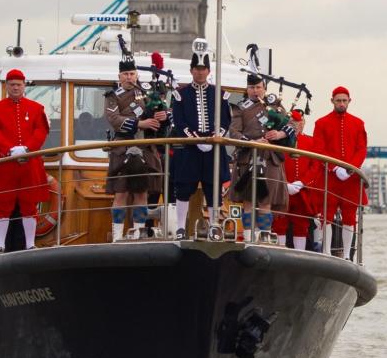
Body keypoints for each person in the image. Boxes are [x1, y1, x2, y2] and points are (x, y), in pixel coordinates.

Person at [169, 40, 231, 239]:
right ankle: (180, 227)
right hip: (189, 149)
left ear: (209, 71)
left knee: (213, 188)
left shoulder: (220, 94)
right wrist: (195, 140)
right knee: (184, 187)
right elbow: (179, 122)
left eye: (203, 69)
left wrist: (213, 138)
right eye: (197, 69)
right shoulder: (180, 94)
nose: (200, 72)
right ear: (191, 70)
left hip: (213, 147)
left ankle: (214, 225)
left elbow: (225, 120)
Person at [103, 54, 168, 241]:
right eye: (125, 74)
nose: (129, 77)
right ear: (119, 76)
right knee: (121, 194)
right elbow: (114, 120)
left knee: (141, 193)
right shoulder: (113, 97)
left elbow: (161, 119)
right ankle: (117, 236)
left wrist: (162, 117)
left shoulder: (148, 93)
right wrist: (140, 124)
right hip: (123, 148)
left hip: (145, 149)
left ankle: (138, 234)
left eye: (131, 73)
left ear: (137, 74)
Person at [0, 69, 50, 252]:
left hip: (29, 163)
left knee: (29, 203)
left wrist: (27, 148)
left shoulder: (37, 108)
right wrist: (9, 149)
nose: (15, 88)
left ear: (24, 86)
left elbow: (41, 131)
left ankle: (30, 243)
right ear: (7, 86)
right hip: (6, 163)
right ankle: (0, 244)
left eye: (19, 85)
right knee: (3, 203)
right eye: (12, 85)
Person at [228, 75, 295, 238]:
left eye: (258, 87)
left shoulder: (276, 106)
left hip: (271, 158)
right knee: (249, 201)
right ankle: (250, 236)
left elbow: (292, 125)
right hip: (248, 158)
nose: (255, 91)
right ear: (247, 89)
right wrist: (253, 141)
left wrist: (279, 134)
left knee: (266, 200)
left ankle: (264, 235)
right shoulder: (240, 108)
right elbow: (234, 132)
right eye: (252, 88)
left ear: (264, 88)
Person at [312, 86, 368, 259]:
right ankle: (326, 251)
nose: (342, 103)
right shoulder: (321, 123)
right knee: (326, 215)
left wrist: (350, 169)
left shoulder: (358, 123)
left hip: (349, 179)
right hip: (329, 176)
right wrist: (335, 167)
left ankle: (347, 256)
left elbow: (361, 149)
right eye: (338, 100)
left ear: (349, 101)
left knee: (350, 216)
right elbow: (318, 149)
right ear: (332, 101)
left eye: (344, 100)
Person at [272, 109, 321, 250]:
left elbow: (315, 165)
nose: (298, 124)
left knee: (302, 224)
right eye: (294, 122)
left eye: (300, 121)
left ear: (304, 123)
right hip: (283, 188)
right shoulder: (280, 141)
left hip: (302, 190)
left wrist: (302, 183)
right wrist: (283, 183)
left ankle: (300, 252)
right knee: (279, 222)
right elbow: (275, 162)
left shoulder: (311, 141)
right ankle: (279, 250)